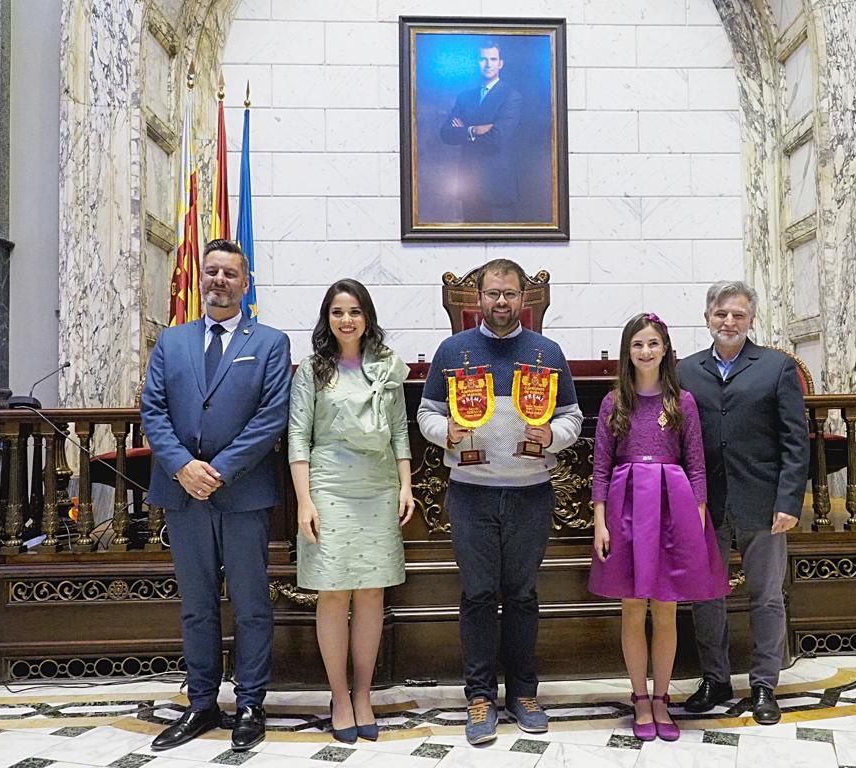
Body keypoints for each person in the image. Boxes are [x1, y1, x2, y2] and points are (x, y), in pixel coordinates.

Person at [416, 258, 583, 745]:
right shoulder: (453, 350)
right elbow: (427, 412)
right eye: (493, 294)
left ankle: (524, 693)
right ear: (479, 299)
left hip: (531, 493)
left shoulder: (547, 352)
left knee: (524, 595)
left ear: (524, 298)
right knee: (478, 596)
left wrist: (552, 434)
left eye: (510, 294)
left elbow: (572, 417)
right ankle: (480, 696)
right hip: (471, 494)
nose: (502, 302)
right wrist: (442, 431)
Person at [140, 239, 292, 752]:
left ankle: (251, 703)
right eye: (211, 272)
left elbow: (270, 416)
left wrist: (220, 470)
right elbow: (153, 411)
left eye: (230, 274)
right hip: (182, 494)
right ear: (200, 279)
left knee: (251, 604)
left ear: (245, 284)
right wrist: (184, 466)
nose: (219, 281)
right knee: (197, 606)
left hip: (243, 493)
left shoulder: (270, 342)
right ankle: (201, 704)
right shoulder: (172, 341)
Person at [589, 313, 729, 742]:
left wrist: (697, 519)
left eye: (652, 343)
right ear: (627, 352)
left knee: (666, 607)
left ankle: (663, 697)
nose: (645, 351)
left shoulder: (681, 401)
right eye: (637, 345)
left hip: (673, 506)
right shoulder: (615, 402)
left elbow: (696, 464)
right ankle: (639, 698)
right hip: (627, 507)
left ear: (665, 349)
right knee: (633, 606)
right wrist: (600, 521)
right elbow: (600, 465)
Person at [676, 281, 809, 725]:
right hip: (704, 504)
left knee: (767, 596)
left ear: (751, 319)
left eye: (737, 314)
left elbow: (796, 441)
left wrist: (790, 499)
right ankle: (714, 679)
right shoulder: (685, 371)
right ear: (707, 317)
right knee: (705, 596)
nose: (728, 322)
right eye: (720, 314)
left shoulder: (776, 367)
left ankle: (764, 683)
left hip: (764, 501)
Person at [287, 280, 414, 744]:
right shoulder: (313, 371)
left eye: (355, 311)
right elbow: (299, 437)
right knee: (334, 593)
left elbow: (401, 430)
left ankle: (364, 694)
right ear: (328, 319)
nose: (347, 320)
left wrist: (405, 483)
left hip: (378, 486)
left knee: (371, 594)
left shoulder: (386, 367)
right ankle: (339, 696)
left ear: (367, 317)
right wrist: (304, 499)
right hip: (329, 488)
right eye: (338, 312)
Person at [439, 40, 522, 223]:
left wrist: (463, 131)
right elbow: (445, 133)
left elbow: (496, 139)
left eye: (493, 59)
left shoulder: (511, 96)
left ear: (500, 63)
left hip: (497, 189)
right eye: (483, 59)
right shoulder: (465, 97)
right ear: (477, 63)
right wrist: (474, 130)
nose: (488, 64)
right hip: (469, 188)